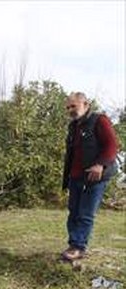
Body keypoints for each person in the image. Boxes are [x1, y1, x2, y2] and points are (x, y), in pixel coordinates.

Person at [60, 92, 119, 262]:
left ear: (85, 104)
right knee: (73, 212)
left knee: (86, 213)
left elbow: (112, 145)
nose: (70, 110)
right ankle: (73, 245)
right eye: (68, 107)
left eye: (74, 106)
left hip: (95, 177)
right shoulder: (73, 126)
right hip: (75, 177)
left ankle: (78, 247)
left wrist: (100, 164)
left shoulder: (99, 120)